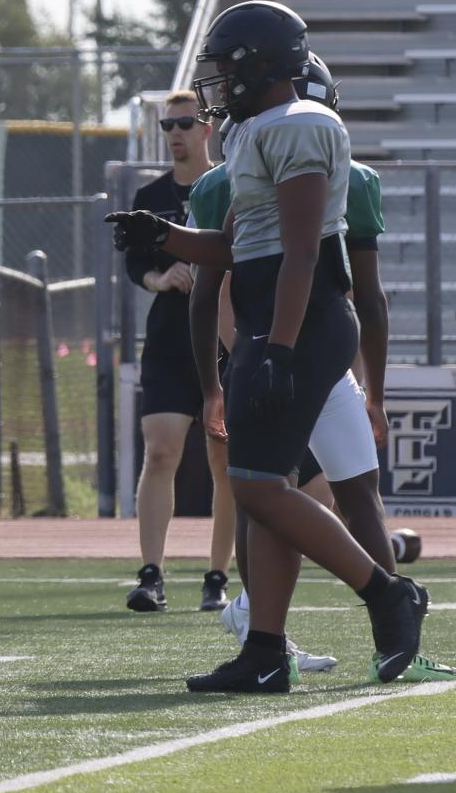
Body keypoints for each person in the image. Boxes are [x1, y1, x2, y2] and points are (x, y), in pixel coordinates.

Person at [108, 0, 431, 692]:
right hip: (270, 317)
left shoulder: (301, 125)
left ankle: (384, 592)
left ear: (260, 65)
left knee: (256, 485)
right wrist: (161, 236)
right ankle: (264, 650)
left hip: (300, 320)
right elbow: (236, 245)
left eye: (227, 70)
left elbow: (301, 250)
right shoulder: (255, 132)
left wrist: (280, 347)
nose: (217, 86)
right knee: (258, 489)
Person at [186, 55, 445, 677]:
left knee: (261, 491)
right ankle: (282, 641)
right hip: (300, 347)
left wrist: (221, 376)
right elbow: (364, 294)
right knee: (328, 492)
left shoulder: (270, 153)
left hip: (279, 343)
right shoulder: (316, 164)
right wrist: (372, 391)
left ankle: (339, 615)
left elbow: (236, 285)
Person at [122, 89, 233, 614]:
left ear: (207, 129)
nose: (176, 134)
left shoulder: (232, 187)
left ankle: (218, 576)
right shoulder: (150, 196)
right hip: (169, 339)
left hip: (223, 340)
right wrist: (161, 276)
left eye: (186, 124)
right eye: (168, 126)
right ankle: (151, 574)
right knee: (161, 449)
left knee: (225, 460)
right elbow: (135, 265)